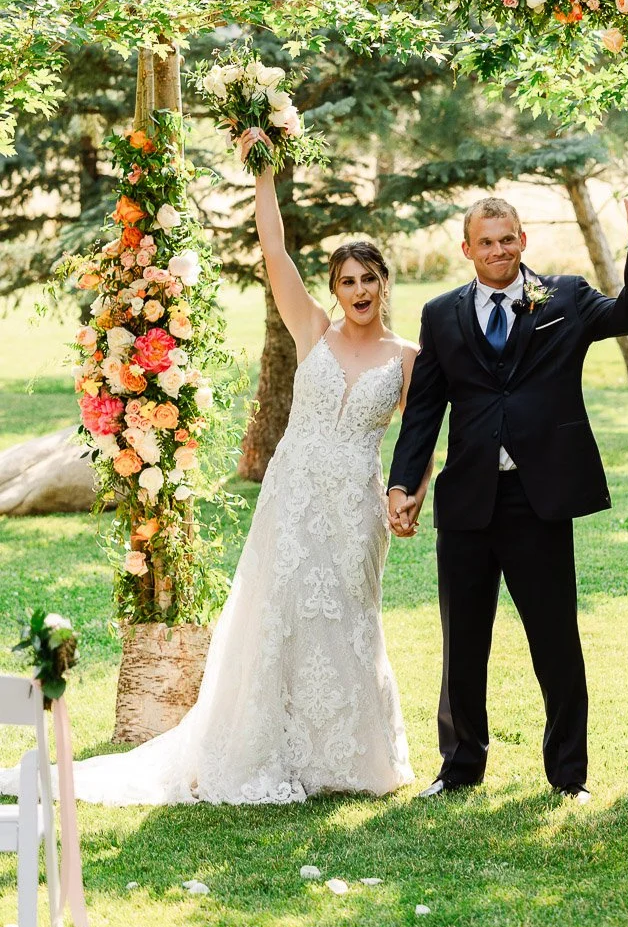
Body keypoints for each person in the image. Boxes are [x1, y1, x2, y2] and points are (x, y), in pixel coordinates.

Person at [1, 130, 418, 804]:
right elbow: (274, 250)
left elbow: (420, 439)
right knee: (276, 615)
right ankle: (270, 748)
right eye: (348, 280)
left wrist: (410, 494)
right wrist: (264, 173)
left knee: (346, 618)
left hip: (355, 505)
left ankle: (350, 758)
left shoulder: (407, 358)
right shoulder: (312, 329)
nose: (360, 288)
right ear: (335, 289)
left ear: (384, 284)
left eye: (370, 278)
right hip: (292, 493)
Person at [386, 183, 628, 804]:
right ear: (467, 249)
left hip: (538, 499)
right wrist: (404, 483)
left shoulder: (565, 298)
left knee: (555, 641)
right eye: (485, 242)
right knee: (463, 641)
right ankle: (460, 767)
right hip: (466, 501)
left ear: (524, 241)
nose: (498, 250)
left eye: (507, 239)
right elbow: (425, 411)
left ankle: (569, 775)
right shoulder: (440, 315)